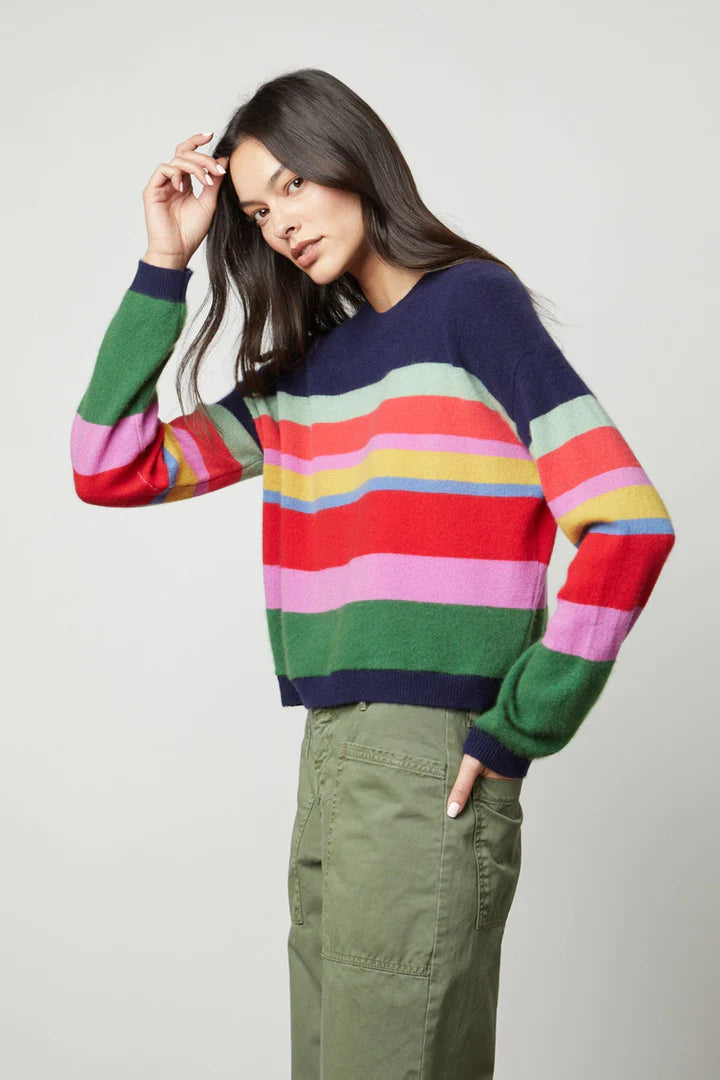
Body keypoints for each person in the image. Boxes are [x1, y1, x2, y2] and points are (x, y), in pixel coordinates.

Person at [70, 68, 676, 1079]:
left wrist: (522, 724)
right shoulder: (305, 377)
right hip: (332, 753)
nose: (280, 223)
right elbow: (107, 466)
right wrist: (163, 262)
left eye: (293, 185)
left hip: (422, 753)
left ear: (352, 160)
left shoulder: (472, 307)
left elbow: (628, 524)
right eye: (257, 212)